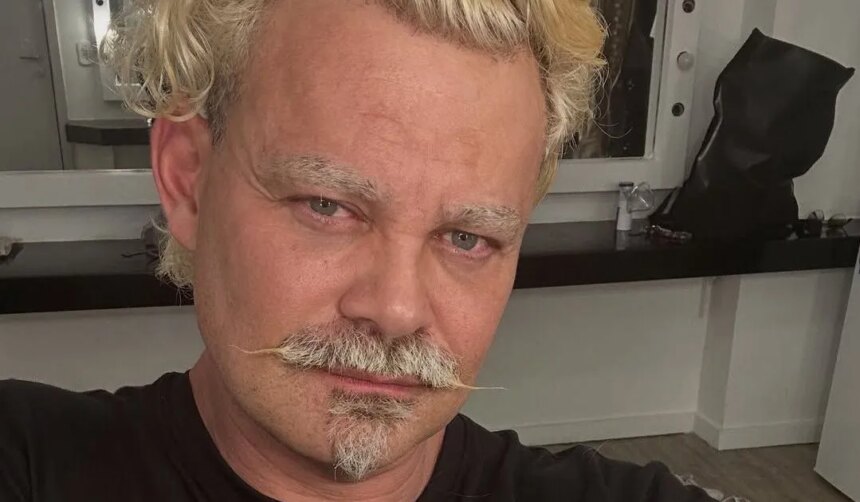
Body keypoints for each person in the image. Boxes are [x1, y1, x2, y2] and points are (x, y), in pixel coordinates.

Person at [0, 1, 713, 500]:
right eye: (328, 205)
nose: (396, 310)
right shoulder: (32, 463)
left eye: (467, 237)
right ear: (188, 181)